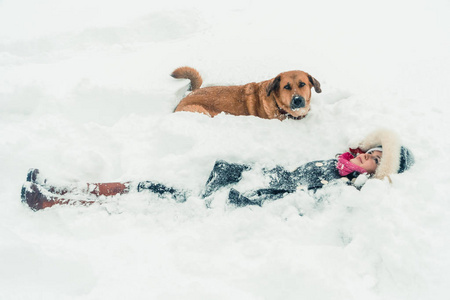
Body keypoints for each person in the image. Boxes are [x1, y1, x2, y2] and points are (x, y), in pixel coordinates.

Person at [21, 129, 415, 211]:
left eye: (378, 162)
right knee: (142, 186)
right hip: (232, 186)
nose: (370, 157)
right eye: (373, 152)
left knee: (142, 194)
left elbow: (295, 198)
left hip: (229, 204)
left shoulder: (343, 185)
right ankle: (59, 188)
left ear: (376, 173)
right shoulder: (338, 164)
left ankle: (52, 201)